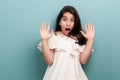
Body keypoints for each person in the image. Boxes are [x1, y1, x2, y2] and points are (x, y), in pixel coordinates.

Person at [38, 5, 95, 80]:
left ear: (75, 23)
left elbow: (83, 61)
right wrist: (44, 41)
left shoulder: (78, 39)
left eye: (72, 20)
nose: (68, 23)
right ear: (59, 22)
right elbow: (49, 61)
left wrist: (90, 40)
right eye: (64, 20)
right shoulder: (54, 37)